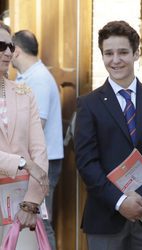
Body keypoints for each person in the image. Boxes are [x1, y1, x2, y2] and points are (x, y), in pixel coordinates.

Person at [74, 20, 142, 250]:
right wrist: (120, 202)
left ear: (136, 54)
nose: (115, 60)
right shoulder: (88, 104)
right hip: (105, 217)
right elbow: (86, 162)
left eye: (123, 52)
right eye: (108, 53)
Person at [12, 30, 64, 250]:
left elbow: (37, 126)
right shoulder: (26, 77)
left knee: (40, 221)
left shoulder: (39, 79)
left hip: (44, 163)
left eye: (7, 47)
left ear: (17, 52)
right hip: (31, 162)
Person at [0, 24, 49, 249]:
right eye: (2, 46)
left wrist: (31, 203)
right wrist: (22, 162)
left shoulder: (25, 92)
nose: (9, 52)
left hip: (22, 204)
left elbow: (39, 150)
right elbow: (31, 161)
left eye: (10, 46)